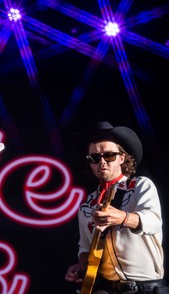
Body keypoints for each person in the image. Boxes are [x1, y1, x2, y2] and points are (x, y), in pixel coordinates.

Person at [64, 121, 166, 294]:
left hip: (144, 287)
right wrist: (81, 264)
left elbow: (153, 221)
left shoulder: (141, 186)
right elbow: (85, 247)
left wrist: (122, 217)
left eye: (109, 156)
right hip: (105, 288)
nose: (102, 162)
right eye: (94, 158)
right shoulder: (87, 205)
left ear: (122, 157)